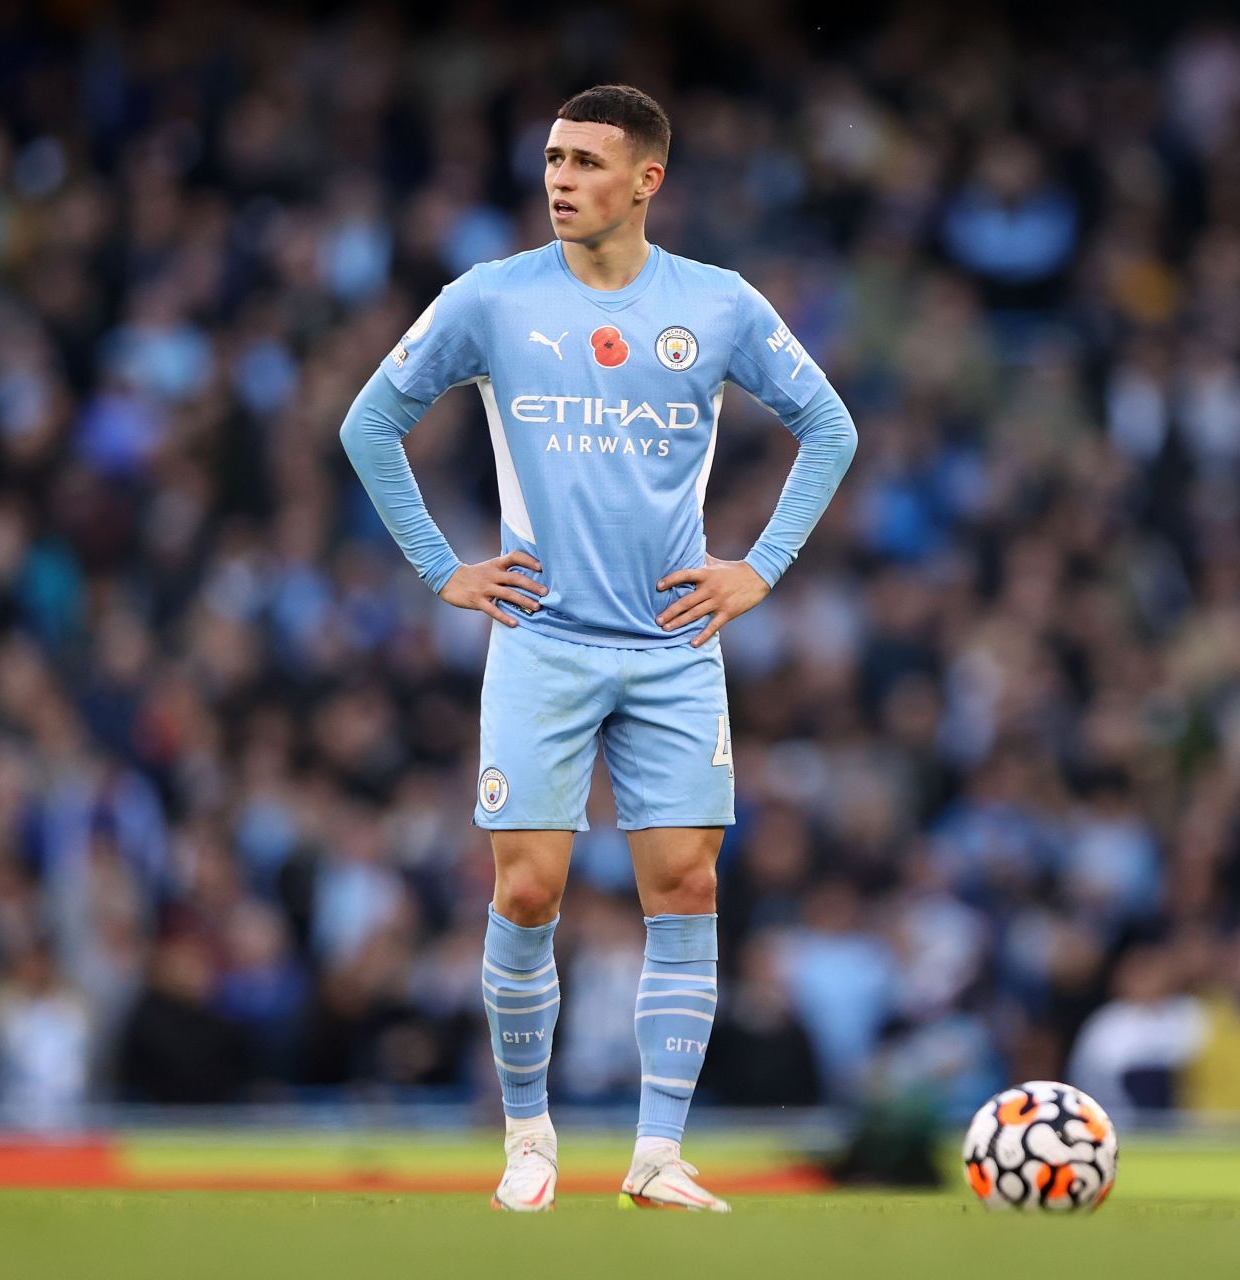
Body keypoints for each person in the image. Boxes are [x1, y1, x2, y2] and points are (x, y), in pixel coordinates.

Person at [339, 84, 857, 1212]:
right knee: (528, 891)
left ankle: (658, 1154)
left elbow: (832, 424)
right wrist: (442, 567)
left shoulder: (716, 306)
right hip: (544, 637)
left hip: (673, 642)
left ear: (646, 182)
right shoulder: (489, 298)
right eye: (554, 159)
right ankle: (529, 1136)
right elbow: (367, 423)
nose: (560, 178)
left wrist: (759, 567)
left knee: (686, 880)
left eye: (584, 161)